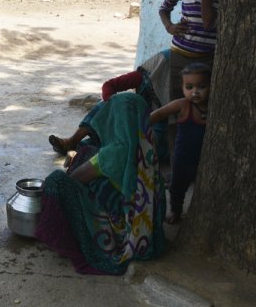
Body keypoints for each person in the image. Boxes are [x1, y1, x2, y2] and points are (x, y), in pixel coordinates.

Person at [35, 93, 166, 275]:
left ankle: (59, 235)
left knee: (56, 181)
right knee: (89, 151)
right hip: (143, 225)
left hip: (118, 229)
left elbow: (74, 180)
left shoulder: (114, 152)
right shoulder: (148, 144)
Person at [48, 49, 171, 163]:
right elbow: (109, 86)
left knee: (131, 148)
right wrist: (115, 109)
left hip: (155, 135)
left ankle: (79, 153)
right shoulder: (147, 76)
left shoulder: (185, 90)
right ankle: (72, 141)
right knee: (107, 105)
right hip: (130, 122)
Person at [149, 63, 210, 224]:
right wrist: (141, 127)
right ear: (182, 88)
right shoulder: (183, 105)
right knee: (178, 187)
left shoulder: (214, 106)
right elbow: (159, 114)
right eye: (189, 87)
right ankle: (176, 211)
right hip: (182, 158)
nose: (195, 92)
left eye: (202, 86)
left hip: (206, 159)